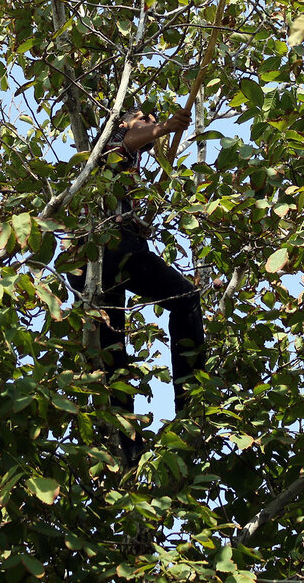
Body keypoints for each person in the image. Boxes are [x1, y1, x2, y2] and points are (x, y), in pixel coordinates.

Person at [66, 106, 207, 460]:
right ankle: (191, 401)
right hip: (108, 250)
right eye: (142, 116)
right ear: (124, 121)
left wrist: (137, 222)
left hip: (87, 265)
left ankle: (128, 447)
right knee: (186, 298)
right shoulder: (111, 142)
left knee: (114, 354)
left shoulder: (114, 176)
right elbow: (126, 142)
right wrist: (162, 128)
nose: (147, 121)